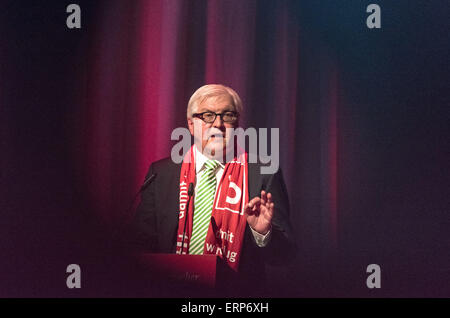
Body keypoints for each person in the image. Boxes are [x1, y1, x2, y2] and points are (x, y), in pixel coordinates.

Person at [131, 84, 295, 296]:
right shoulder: (162, 173)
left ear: (237, 123)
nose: (218, 124)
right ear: (191, 125)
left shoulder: (263, 173)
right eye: (207, 115)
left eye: (227, 115)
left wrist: (262, 233)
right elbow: (140, 244)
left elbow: (285, 255)